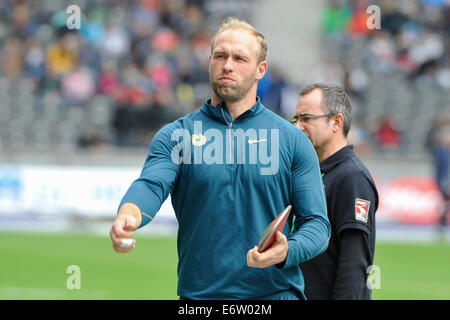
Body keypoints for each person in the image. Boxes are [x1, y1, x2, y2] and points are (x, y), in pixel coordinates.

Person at [109, 17, 330, 300]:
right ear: (209, 61)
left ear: (261, 69)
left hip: (275, 295)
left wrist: (288, 249)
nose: (228, 65)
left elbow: (317, 225)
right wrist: (129, 214)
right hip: (200, 299)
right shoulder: (177, 135)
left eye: (240, 58)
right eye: (221, 56)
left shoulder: (292, 140)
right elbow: (151, 185)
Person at [293, 83, 379, 299]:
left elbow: (354, 264)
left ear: (336, 122)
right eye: (296, 119)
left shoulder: (352, 177)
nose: (297, 127)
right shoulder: (316, 173)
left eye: (306, 118)